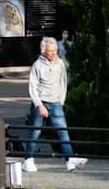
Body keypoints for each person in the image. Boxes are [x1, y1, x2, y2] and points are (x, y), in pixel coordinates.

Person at [23, 36, 86, 172]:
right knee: (35, 132)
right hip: (41, 103)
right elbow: (33, 87)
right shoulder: (37, 65)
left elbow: (63, 82)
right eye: (50, 51)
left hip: (56, 102)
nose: (53, 53)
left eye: (55, 51)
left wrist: (61, 100)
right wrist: (39, 105)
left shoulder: (60, 63)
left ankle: (69, 160)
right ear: (43, 51)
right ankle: (28, 160)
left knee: (63, 131)